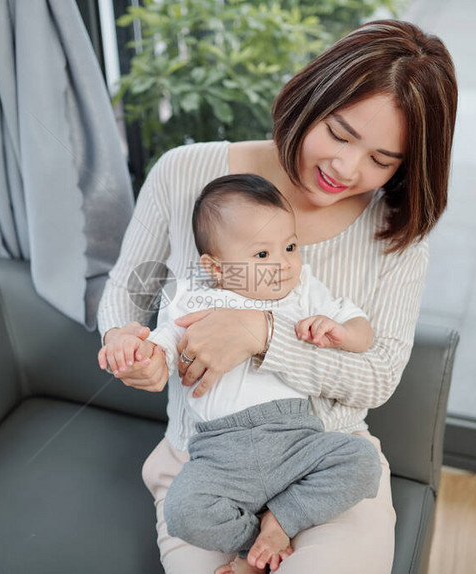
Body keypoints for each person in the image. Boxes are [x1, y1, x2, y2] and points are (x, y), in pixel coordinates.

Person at [97, 19, 457, 574]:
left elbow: (380, 375)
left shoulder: (396, 234)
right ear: (309, 97)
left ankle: (277, 534)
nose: (347, 168)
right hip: (203, 460)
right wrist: (125, 339)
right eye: (339, 133)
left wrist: (262, 337)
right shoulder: (185, 172)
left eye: (382, 160)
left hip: (323, 457)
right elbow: (128, 289)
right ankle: (252, 548)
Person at [99, 174, 382, 572]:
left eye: (290, 246)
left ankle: (279, 523)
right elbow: (160, 347)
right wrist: (135, 352)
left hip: (296, 438)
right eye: (262, 256)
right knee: (184, 512)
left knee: (361, 460)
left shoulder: (302, 291)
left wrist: (343, 332)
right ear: (214, 268)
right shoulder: (191, 296)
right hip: (219, 451)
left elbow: (361, 328)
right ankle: (261, 540)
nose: (284, 264)